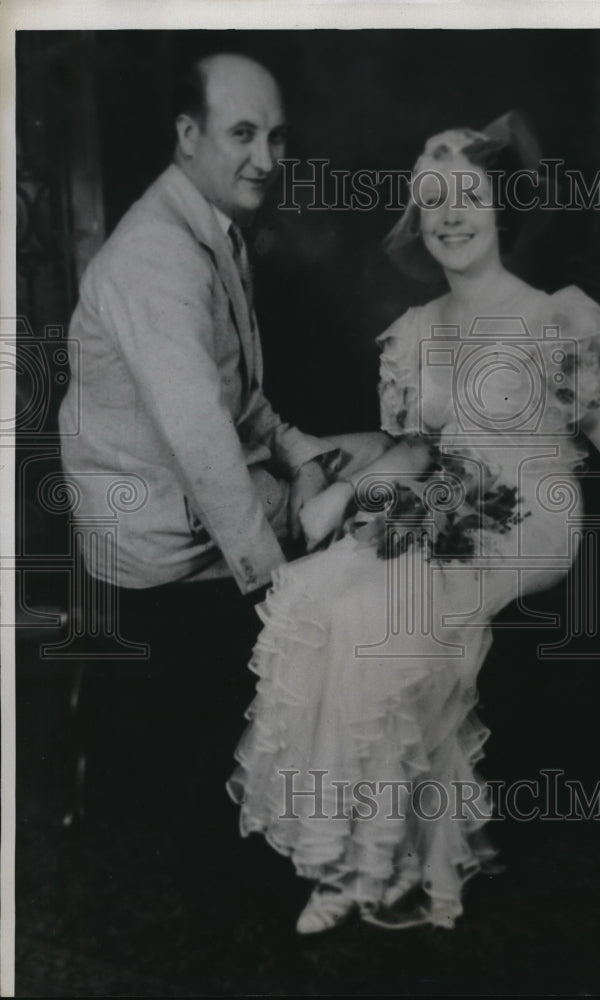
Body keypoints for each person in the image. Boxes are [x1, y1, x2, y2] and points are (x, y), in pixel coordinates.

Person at [226, 119, 600, 933]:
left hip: (535, 517)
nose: (451, 214)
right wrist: (342, 493)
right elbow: (412, 453)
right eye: (433, 201)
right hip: (444, 504)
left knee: (396, 617)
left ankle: (396, 864)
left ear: (501, 207)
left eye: (469, 196)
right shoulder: (414, 331)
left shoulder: (553, 321)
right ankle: (347, 862)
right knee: (327, 604)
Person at [56, 53, 385, 841]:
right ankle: (337, 774)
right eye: (242, 134)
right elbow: (204, 444)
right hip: (163, 525)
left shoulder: (208, 229)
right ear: (186, 133)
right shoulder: (156, 257)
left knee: (381, 451)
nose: (266, 159)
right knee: (382, 494)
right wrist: (277, 590)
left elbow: (241, 402)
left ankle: (343, 755)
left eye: (274, 136)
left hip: (204, 482)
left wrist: (305, 455)